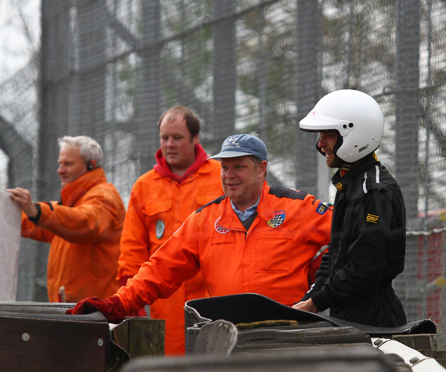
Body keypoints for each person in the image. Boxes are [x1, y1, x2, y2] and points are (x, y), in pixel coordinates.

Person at [66, 134, 334, 328]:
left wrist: (320, 277)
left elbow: (353, 236)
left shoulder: (297, 208)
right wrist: (117, 304)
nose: (229, 175)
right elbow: (160, 268)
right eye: (225, 167)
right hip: (227, 337)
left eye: (239, 166)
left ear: (262, 169)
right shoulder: (205, 220)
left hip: (288, 337)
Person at [292, 89, 408, 327]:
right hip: (350, 318)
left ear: (355, 134)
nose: (320, 144)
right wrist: (306, 303)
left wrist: (315, 304)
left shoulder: (373, 190)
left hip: (374, 324)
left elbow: (365, 269)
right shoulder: (351, 184)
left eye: (328, 135)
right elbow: (335, 257)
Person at [118, 106, 224, 355]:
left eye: (177, 138)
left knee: (210, 363)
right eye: (164, 138)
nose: (170, 144)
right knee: (167, 366)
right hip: (162, 300)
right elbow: (132, 247)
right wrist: (131, 299)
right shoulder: (144, 186)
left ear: (195, 138)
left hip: (212, 295)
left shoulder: (221, 177)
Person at [7, 135, 125, 303]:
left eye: (68, 164)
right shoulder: (72, 205)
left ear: (91, 165)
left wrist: (36, 211)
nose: (60, 170)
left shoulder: (105, 197)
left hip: (96, 314)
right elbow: (45, 222)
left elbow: (84, 222)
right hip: (79, 311)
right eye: (60, 163)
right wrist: (2, 216)